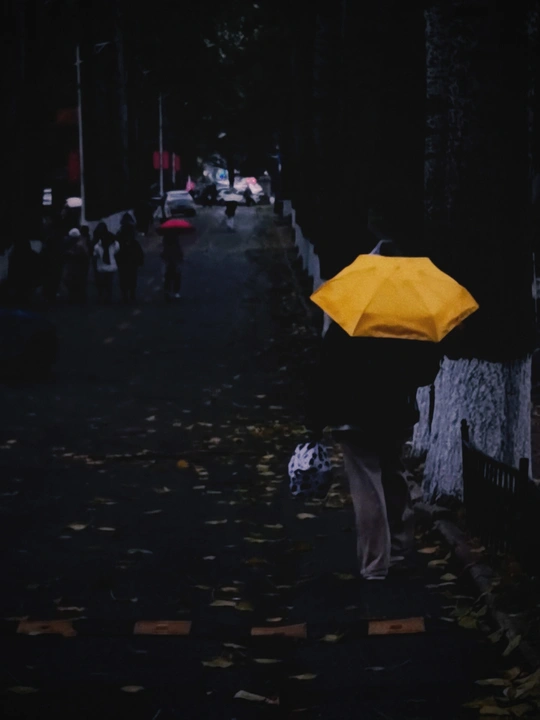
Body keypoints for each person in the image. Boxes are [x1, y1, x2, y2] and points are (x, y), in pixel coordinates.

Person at [302, 240, 442, 581]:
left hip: (352, 415)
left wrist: (314, 423)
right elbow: (426, 373)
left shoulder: (351, 315)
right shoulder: (412, 319)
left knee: (368, 485)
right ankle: (399, 550)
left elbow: (326, 370)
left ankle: (375, 563)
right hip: (394, 415)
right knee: (393, 475)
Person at [116, 220, 144, 303]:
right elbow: (139, 252)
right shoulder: (134, 242)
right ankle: (131, 294)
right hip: (131, 262)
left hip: (123, 262)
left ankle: (125, 295)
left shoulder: (120, 241)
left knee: (123, 278)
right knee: (132, 278)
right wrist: (140, 261)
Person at [93, 226, 120, 304]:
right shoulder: (115, 244)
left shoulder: (97, 246)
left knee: (102, 283)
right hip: (111, 266)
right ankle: (108, 298)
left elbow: (95, 255)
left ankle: (102, 297)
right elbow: (117, 251)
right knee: (109, 283)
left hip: (101, 267)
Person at [63, 228, 90, 305]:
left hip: (76, 266)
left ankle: (75, 298)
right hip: (79, 266)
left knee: (74, 282)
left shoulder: (77, 244)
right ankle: (79, 298)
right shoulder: (81, 242)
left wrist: (70, 254)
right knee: (78, 282)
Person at [161, 231, 184, 301]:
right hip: (174, 260)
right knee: (176, 276)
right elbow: (179, 251)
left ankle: (168, 291)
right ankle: (175, 291)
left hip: (169, 260)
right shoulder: (176, 242)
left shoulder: (166, 239)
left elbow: (164, 251)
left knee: (168, 277)